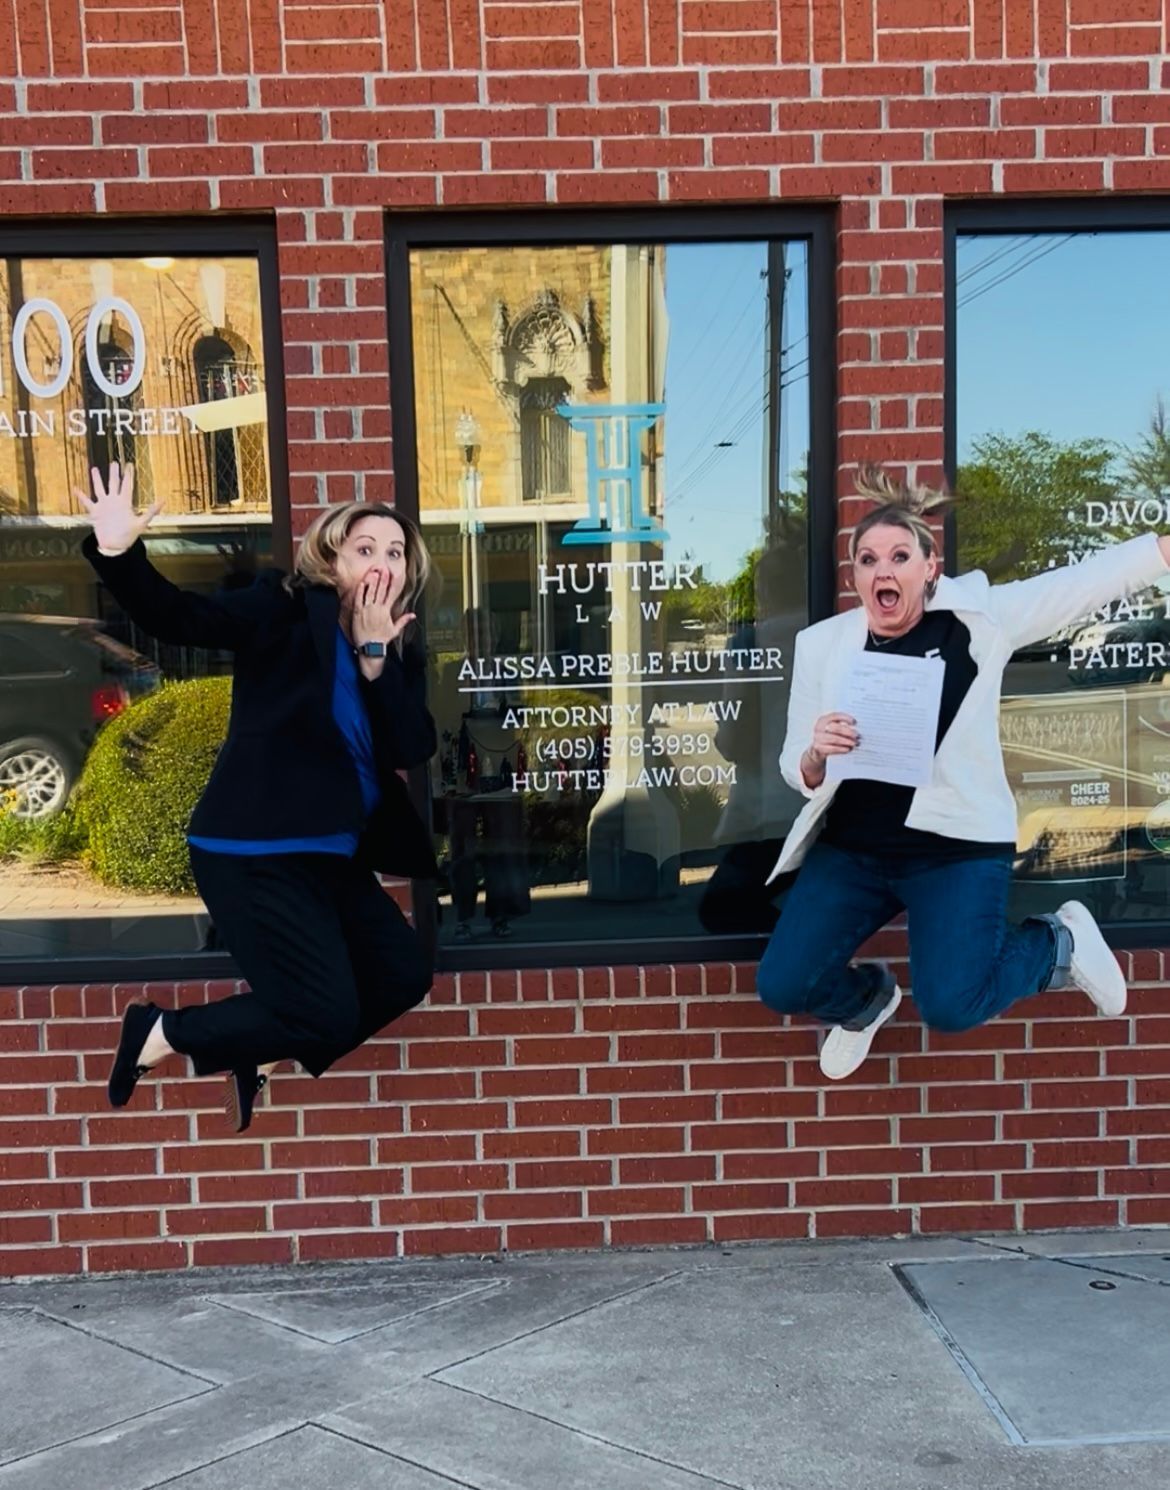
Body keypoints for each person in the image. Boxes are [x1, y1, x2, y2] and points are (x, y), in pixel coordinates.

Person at [757, 464, 1170, 1080]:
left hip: (955, 849)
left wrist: (1160, 552)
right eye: (867, 560)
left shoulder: (980, 619)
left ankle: (1059, 942)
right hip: (854, 852)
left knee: (952, 1004)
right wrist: (816, 752)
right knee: (784, 983)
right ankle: (865, 1003)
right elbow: (798, 767)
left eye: (899, 556)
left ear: (929, 568)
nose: (883, 570)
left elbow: (1077, 585)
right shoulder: (824, 644)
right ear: (856, 576)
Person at [79, 463, 437, 1130]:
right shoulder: (282, 608)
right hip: (253, 849)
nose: (382, 564)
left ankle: (259, 1054)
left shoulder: (396, 643)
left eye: (395, 552)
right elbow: (181, 617)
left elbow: (411, 747)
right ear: (331, 557)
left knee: (401, 975)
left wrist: (375, 660)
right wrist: (119, 552)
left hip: (333, 855)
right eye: (366, 549)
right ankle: (163, 1032)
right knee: (322, 1010)